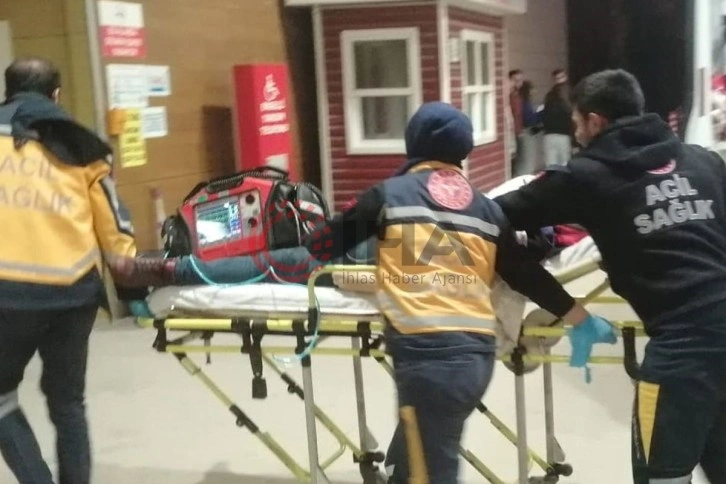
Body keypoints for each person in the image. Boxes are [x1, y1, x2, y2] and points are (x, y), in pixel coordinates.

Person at [300, 101, 615, 483]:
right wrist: (580, 318)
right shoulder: (486, 209)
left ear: (413, 142)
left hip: (426, 359)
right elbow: (525, 274)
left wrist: (329, 220)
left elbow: (322, 248)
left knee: (431, 467)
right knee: (421, 450)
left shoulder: (390, 194)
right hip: (474, 360)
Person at [494, 68, 726, 484]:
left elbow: (496, 213)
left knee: (661, 475)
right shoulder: (704, 162)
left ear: (595, 121)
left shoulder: (587, 176)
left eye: (577, 124)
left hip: (681, 356)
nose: (577, 134)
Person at [0, 57, 164, 484]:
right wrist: (129, 273)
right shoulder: (83, 144)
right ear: (56, 95)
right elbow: (114, 225)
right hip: (73, 294)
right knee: (68, 402)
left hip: (8, 296)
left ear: (8, 91)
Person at [542, 68, 573, 166]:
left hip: (550, 134)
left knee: (551, 166)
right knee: (564, 165)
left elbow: (545, 114)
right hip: (564, 134)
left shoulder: (549, 96)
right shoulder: (569, 94)